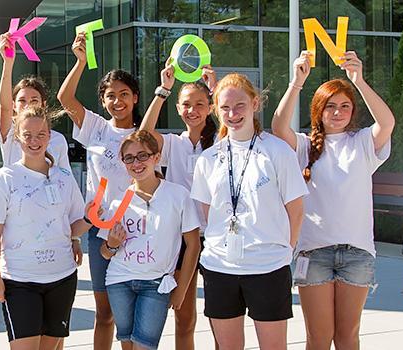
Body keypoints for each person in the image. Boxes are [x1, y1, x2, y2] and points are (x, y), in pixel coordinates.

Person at [272, 51, 395, 350]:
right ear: (319, 110)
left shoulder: (364, 142)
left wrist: (359, 81)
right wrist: (296, 82)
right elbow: (278, 127)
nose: (338, 112)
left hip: (358, 254)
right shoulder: (303, 146)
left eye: (345, 106)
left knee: (347, 337)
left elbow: (387, 121)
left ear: (353, 111)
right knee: (318, 337)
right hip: (314, 255)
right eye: (330, 106)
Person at [190, 73, 308, 350]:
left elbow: (296, 211)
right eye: (225, 107)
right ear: (216, 110)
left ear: (255, 103)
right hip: (220, 267)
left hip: (268, 266)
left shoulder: (278, 152)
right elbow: (209, 215)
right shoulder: (207, 159)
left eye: (240, 105)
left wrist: (282, 252)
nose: (233, 114)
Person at [57, 31, 142, 350]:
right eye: (110, 95)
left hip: (139, 230)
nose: (117, 101)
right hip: (101, 231)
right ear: (103, 100)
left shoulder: (146, 133)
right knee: (105, 314)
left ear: (135, 97)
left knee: (131, 313)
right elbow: (65, 99)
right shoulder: (96, 128)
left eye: (124, 94)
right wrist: (80, 62)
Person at [0, 106, 87, 350]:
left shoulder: (63, 177)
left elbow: (73, 227)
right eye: (27, 135)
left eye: (41, 134)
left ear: (50, 136)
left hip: (62, 277)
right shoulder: (5, 178)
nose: (34, 140)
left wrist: (93, 219)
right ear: (17, 137)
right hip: (20, 280)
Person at [138, 61, 218, 350]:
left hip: (218, 236)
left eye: (200, 103)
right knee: (184, 316)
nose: (192, 110)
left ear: (211, 107)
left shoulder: (222, 141)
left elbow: (239, 123)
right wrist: (164, 90)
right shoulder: (173, 143)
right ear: (178, 108)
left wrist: (218, 90)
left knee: (221, 316)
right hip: (182, 237)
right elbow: (144, 136)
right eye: (186, 104)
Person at [98, 129, 201, 350]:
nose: (137, 163)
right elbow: (105, 252)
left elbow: (193, 244)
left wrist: (181, 290)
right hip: (119, 282)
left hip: (156, 283)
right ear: (123, 162)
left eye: (143, 155)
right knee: (128, 346)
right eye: (129, 158)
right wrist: (111, 245)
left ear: (156, 157)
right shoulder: (118, 202)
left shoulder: (178, 195)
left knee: (144, 346)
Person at [0, 33, 72, 171]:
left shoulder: (57, 140)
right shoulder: (10, 133)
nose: (27, 105)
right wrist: (7, 63)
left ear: (43, 104)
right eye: (22, 100)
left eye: (34, 100)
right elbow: (4, 107)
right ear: (13, 105)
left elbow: (65, 178)